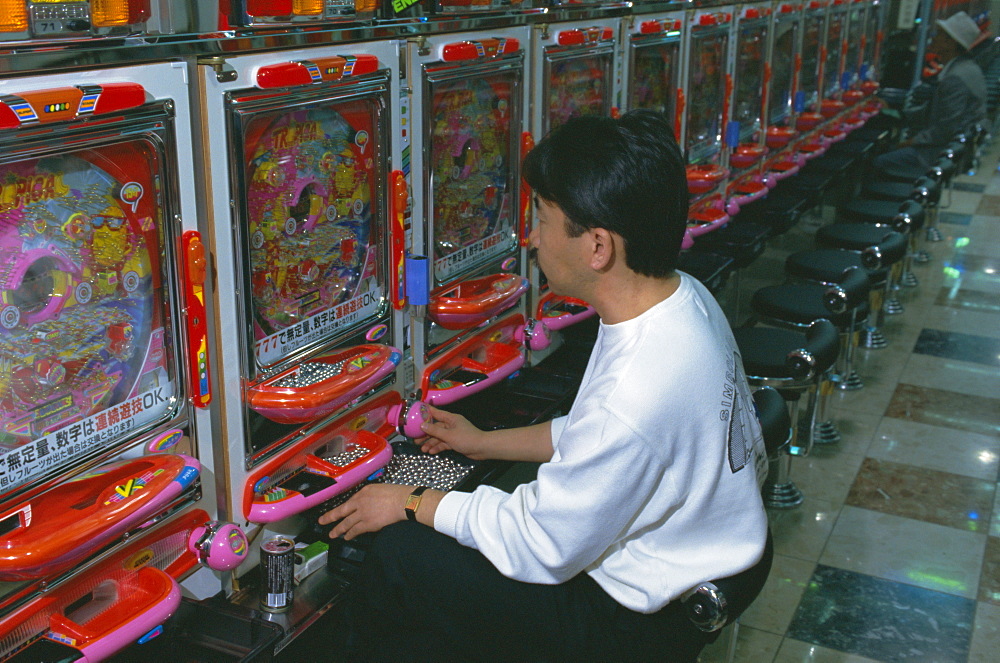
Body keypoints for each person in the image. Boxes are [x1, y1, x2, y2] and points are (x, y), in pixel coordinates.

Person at [318, 110, 769, 662]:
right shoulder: (679, 299)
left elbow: (541, 543)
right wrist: (483, 442)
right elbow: (598, 436)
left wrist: (410, 500)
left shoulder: (637, 388)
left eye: (542, 218)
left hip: (633, 625)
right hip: (704, 563)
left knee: (400, 556)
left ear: (598, 246)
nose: (530, 238)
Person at [874, 11, 987, 172]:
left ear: (950, 43)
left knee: (880, 160)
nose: (934, 36)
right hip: (950, 147)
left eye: (940, 34)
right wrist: (893, 110)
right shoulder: (963, 68)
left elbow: (944, 130)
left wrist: (908, 142)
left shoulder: (956, 78)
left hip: (938, 154)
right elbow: (932, 112)